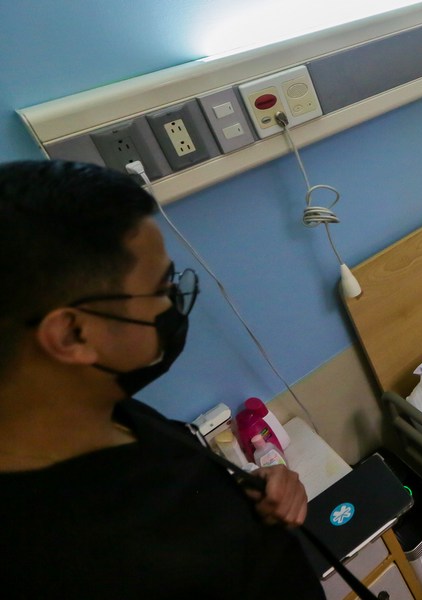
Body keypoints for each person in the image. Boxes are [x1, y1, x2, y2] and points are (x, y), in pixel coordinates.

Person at [0, 160, 325, 599]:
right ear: (72, 335)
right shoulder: (69, 560)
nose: (172, 303)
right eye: (159, 288)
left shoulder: (109, 411)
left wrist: (253, 493)